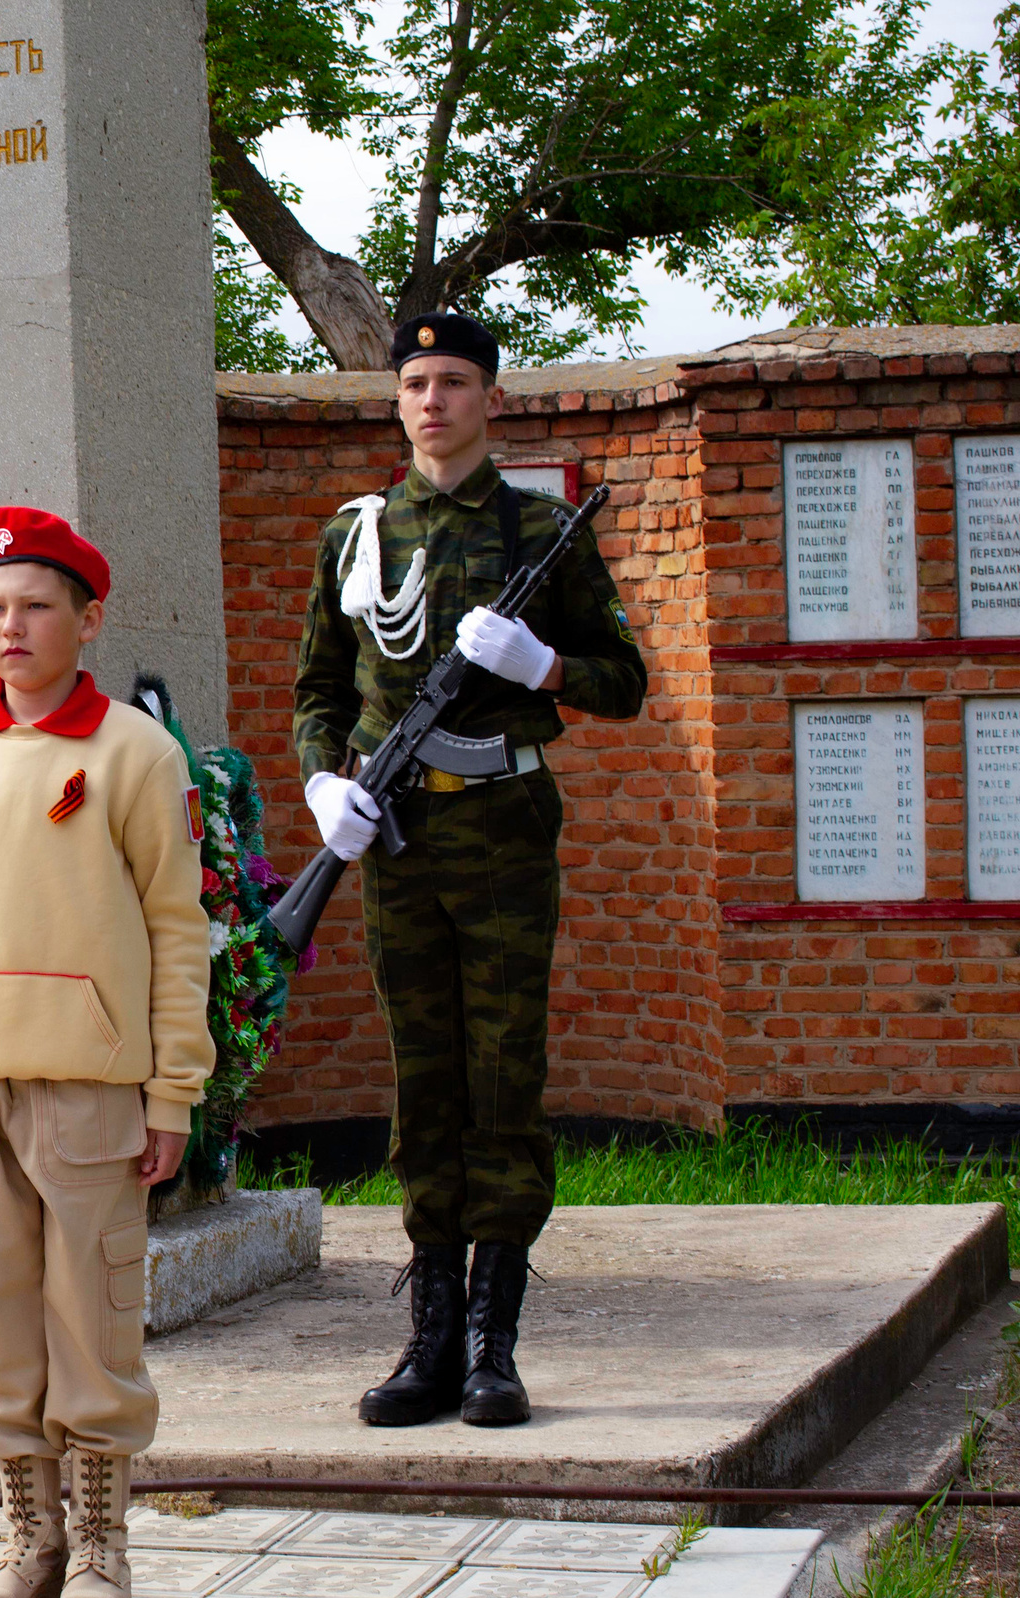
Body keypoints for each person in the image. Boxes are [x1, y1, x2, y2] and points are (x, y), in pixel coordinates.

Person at [293, 311, 648, 1430]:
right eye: (414, 382)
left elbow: (622, 679)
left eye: (452, 381)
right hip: (396, 833)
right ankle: (430, 1338)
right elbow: (320, 689)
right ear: (395, 402)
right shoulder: (354, 536)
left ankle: (495, 1344)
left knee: (502, 1071)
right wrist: (320, 783)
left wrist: (543, 661)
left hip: (501, 822)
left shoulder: (538, 527)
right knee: (423, 1074)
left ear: (489, 399)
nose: (432, 400)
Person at [0, 507, 214, 1598]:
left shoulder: (134, 752)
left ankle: (99, 1552)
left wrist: (172, 1085)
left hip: (91, 1090)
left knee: (93, 1323)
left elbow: (178, 930)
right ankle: (26, 1542)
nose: (11, 626)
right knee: (5, 1327)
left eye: (35, 605)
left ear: (88, 619)